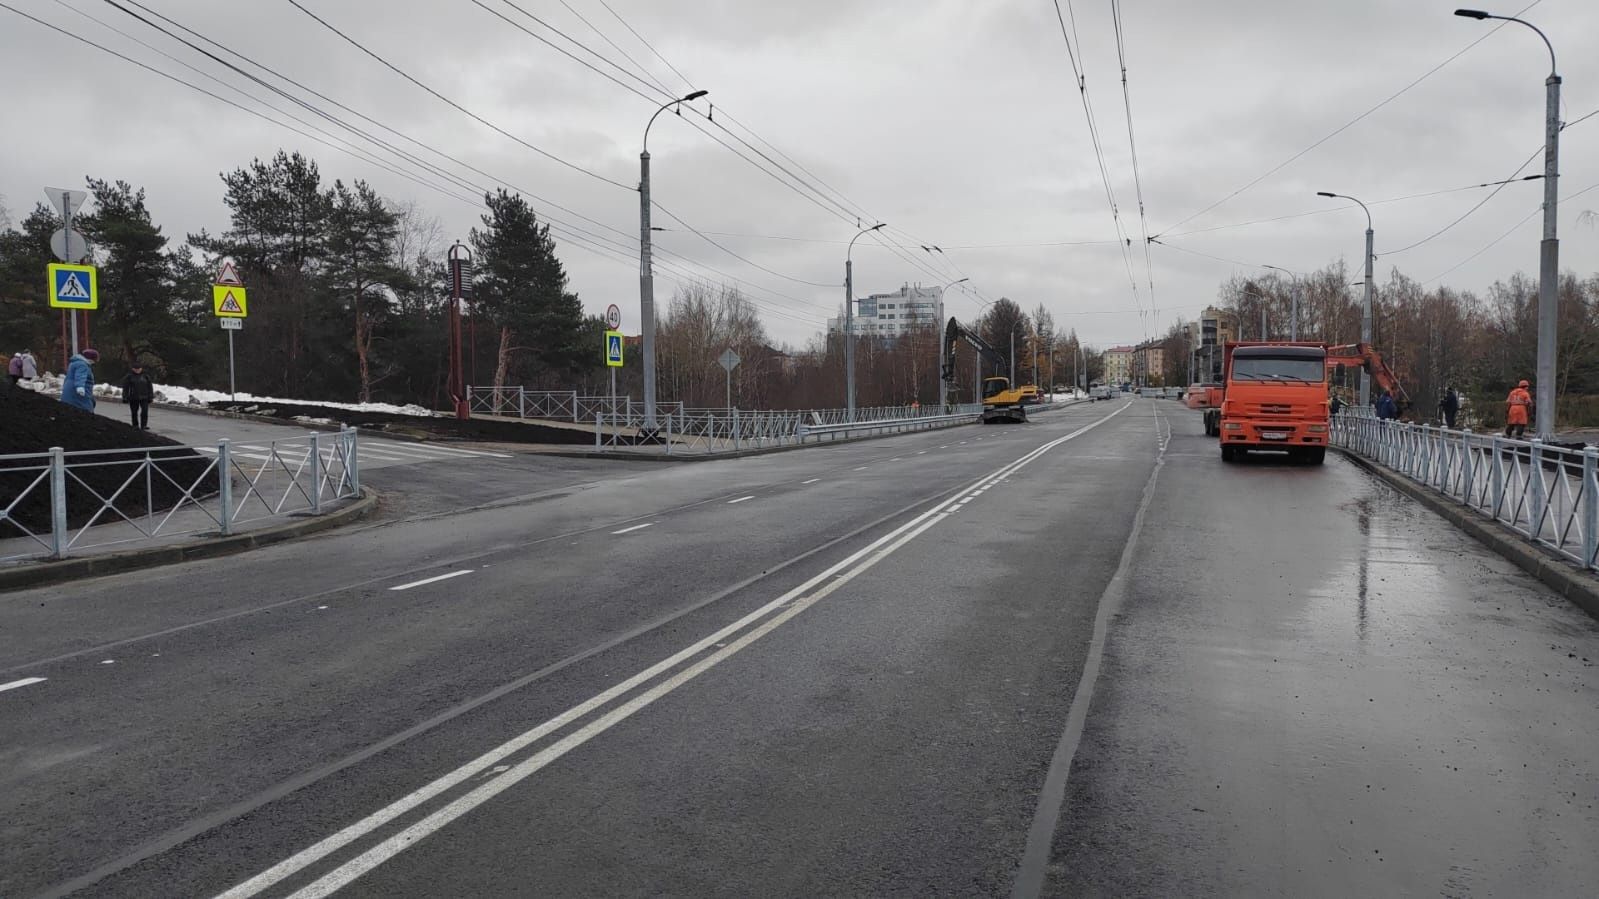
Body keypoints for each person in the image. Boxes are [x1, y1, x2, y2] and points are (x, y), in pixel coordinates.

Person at [121, 360, 155, 430]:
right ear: (133, 369)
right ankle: (135, 425)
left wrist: (151, 396)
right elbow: (126, 388)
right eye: (136, 369)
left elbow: (150, 387)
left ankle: (144, 425)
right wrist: (125, 397)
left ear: (141, 368)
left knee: (145, 411)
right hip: (133, 397)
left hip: (144, 397)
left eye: (139, 369)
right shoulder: (129, 376)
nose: (137, 370)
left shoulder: (146, 376)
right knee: (134, 412)